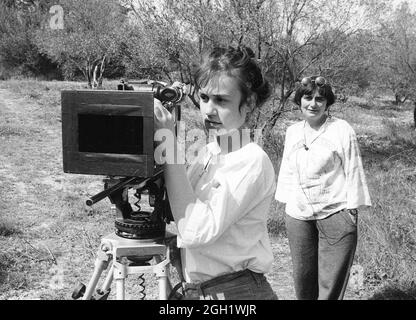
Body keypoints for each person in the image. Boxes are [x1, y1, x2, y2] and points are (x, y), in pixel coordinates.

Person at [153, 46, 278, 300]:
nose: (208, 110)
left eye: (221, 100)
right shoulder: (209, 150)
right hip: (202, 291)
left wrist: (168, 144)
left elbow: (195, 231)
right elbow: (183, 212)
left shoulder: (251, 160)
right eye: (204, 97)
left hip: (236, 293)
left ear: (249, 102)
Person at [274, 76, 371, 300]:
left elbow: (353, 167)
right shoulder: (293, 131)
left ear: (327, 103)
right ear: (300, 100)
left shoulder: (341, 129)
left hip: (335, 213)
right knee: (303, 283)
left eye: (320, 99)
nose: (313, 104)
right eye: (308, 97)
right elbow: (288, 170)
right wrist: (287, 203)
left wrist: (351, 209)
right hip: (299, 217)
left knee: (329, 288)